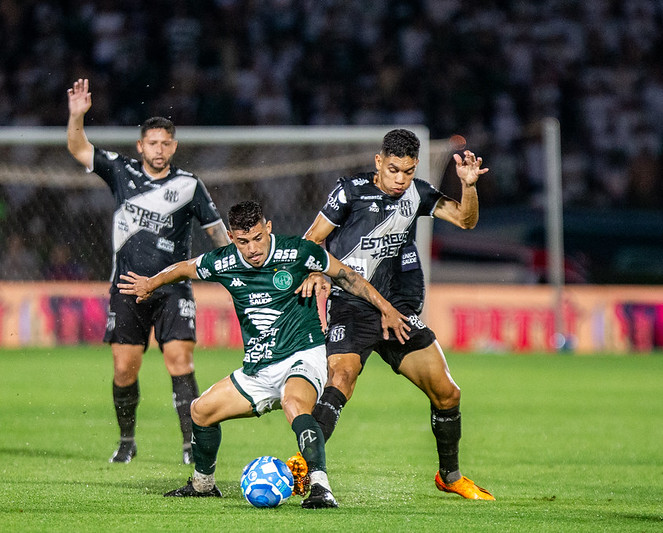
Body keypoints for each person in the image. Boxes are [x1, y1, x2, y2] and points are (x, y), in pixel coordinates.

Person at [117, 200, 409, 508]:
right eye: (243, 241)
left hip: (302, 354)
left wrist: (386, 308)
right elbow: (185, 268)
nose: (253, 248)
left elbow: (348, 276)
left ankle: (321, 487)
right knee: (200, 411)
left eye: (258, 237)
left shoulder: (297, 251)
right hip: (258, 368)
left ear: (268, 228)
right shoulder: (225, 261)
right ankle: (203, 484)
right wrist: (151, 282)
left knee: (294, 403)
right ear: (232, 237)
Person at [303, 128, 495, 500]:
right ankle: (305, 464)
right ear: (379, 162)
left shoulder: (417, 193)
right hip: (352, 306)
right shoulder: (350, 191)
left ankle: (450, 476)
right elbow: (312, 238)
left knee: (447, 393)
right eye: (393, 170)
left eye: (407, 171)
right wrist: (315, 270)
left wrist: (468, 186)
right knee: (341, 378)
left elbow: (465, 220)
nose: (400, 179)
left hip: (398, 314)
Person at [66, 78, 230, 465]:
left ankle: (191, 445)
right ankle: (127, 441)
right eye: (152, 143)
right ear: (141, 146)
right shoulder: (121, 172)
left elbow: (216, 232)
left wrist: (234, 264)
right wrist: (76, 116)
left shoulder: (189, 185)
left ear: (174, 146)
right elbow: (78, 147)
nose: (159, 149)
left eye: (166, 143)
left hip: (173, 288)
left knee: (180, 362)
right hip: (126, 286)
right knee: (125, 368)